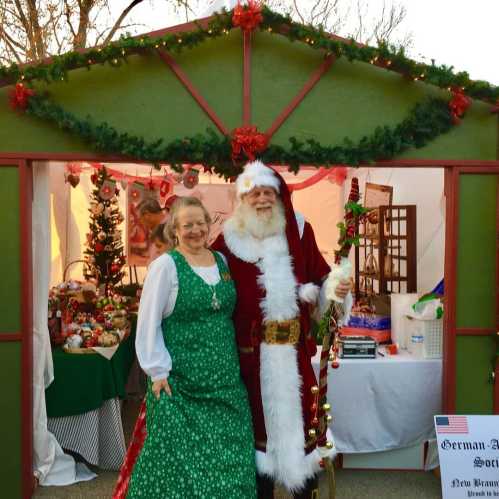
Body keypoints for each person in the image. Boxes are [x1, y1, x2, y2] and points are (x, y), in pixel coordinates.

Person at [211, 160, 352, 499]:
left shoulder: (300, 229)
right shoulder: (227, 240)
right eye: (255, 193)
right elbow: (208, 289)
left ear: (278, 196)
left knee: (301, 437)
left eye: (268, 192)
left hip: (294, 357)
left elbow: (321, 277)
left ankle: (303, 492)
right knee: (256, 441)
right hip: (249, 361)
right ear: (244, 198)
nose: (262, 199)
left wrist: (335, 289)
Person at [115, 196, 257, 499]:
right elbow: (148, 322)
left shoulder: (222, 262)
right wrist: (157, 371)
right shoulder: (166, 266)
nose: (195, 230)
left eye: (200, 223)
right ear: (174, 230)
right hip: (180, 386)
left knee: (231, 464)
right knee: (178, 470)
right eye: (187, 224)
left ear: (209, 225)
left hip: (225, 385)